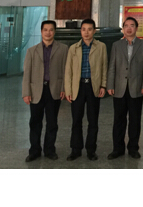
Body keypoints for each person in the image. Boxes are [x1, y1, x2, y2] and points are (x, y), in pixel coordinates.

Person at [21, 20, 68, 162]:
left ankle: (49, 150)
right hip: (36, 91)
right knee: (35, 122)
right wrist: (26, 92)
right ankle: (34, 150)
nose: (48, 32)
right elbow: (27, 73)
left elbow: (66, 71)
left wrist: (64, 88)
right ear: (41, 32)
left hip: (54, 90)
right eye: (45, 30)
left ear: (55, 31)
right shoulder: (32, 51)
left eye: (51, 30)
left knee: (52, 122)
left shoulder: (63, 49)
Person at [106, 16, 143, 160]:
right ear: (123, 29)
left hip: (136, 88)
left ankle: (133, 148)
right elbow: (112, 66)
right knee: (118, 120)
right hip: (119, 87)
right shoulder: (116, 45)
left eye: (132, 25)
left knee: (135, 120)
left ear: (136, 28)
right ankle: (117, 148)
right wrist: (110, 85)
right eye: (126, 26)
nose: (129, 28)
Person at [64, 18, 108, 161]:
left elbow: (104, 67)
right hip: (78, 87)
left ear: (94, 31)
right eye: (83, 29)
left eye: (89, 29)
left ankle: (91, 150)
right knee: (76, 120)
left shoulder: (101, 47)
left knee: (93, 120)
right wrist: (68, 90)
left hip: (93, 86)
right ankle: (75, 149)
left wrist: (103, 85)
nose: (86, 32)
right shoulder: (73, 48)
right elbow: (68, 71)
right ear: (81, 31)